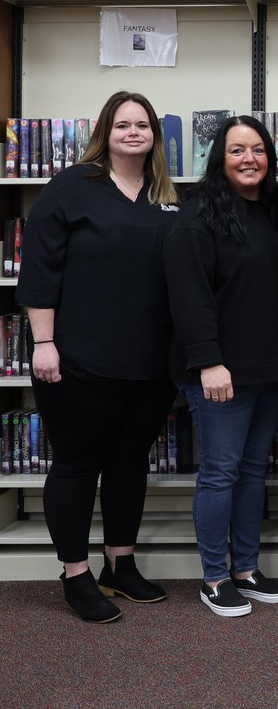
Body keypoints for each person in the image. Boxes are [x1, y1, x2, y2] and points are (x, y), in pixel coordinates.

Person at [17, 90, 179, 623]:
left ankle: (120, 565)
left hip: (150, 361)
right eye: (123, 124)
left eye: (143, 124)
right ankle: (75, 573)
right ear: (105, 132)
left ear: (154, 134)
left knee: (130, 463)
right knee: (78, 464)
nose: (133, 132)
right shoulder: (71, 188)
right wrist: (44, 343)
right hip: (78, 358)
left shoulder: (163, 194)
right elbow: (39, 270)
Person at [164, 116, 278, 617]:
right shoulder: (198, 215)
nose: (249, 160)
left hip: (268, 366)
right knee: (220, 472)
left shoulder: (277, 210)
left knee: (252, 471)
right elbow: (189, 297)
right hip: (219, 371)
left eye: (258, 150)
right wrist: (210, 363)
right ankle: (214, 576)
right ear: (219, 156)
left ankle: (246, 567)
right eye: (237, 150)